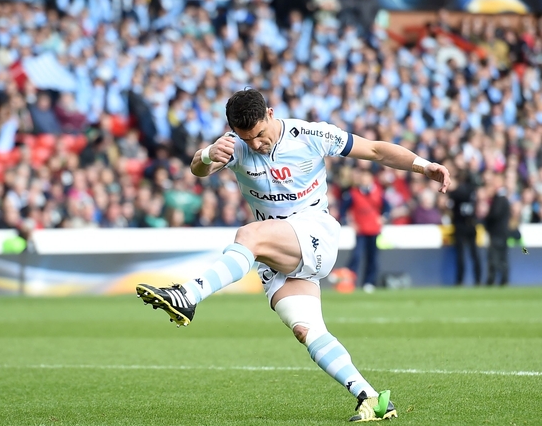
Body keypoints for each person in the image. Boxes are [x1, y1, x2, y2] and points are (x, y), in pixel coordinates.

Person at [136, 89, 451, 422]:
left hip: (315, 234)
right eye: (248, 138)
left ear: (271, 113)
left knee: (248, 235)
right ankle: (371, 397)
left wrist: (423, 166)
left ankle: (187, 294)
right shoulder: (234, 146)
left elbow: (374, 150)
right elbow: (198, 170)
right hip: (278, 254)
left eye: (260, 134)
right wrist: (206, 154)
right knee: (306, 329)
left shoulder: (310, 135)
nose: (256, 144)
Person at [343, 168, 390, 293]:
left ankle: (369, 282)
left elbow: (387, 207)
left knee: (372, 258)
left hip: (374, 230)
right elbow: (343, 209)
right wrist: (350, 222)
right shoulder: (353, 194)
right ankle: (349, 281)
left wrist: (383, 217)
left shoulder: (378, 193)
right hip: (361, 230)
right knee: (357, 256)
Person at [447, 169, 481, 285]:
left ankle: (460, 280)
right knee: (474, 254)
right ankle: (478, 279)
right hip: (471, 224)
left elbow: (450, 207)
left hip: (460, 225)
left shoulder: (456, 193)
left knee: (461, 255)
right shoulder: (473, 191)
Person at [483, 174, 510, 286]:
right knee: (501, 259)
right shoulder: (503, 199)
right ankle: (503, 280)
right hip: (502, 233)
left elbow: (495, 215)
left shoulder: (499, 199)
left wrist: (485, 220)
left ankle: (493, 280)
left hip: (497, 234)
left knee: (495, 259)